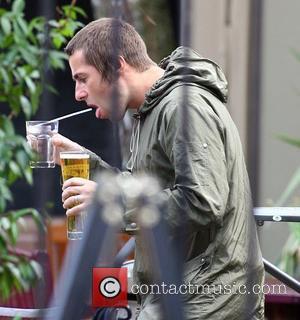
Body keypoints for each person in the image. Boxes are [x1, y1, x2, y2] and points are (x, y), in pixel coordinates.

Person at [52, 18, 264, 319]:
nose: (78, 94)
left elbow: (203, 201)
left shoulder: (183, 107)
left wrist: (111, 200)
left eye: (83, 78)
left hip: (209, 296)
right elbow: (147, 190)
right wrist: (84, 161)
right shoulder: (149, 110)